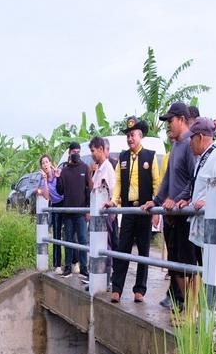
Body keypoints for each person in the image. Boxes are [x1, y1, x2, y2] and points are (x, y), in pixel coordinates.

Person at [177, 117, 216, 318]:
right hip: (200, 228)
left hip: (212, 231)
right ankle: (200, 316)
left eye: (192, 139)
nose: (190, 143)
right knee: (201, 272)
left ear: (201, 137)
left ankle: (212, 320)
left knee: (211, 273)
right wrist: (188, 200)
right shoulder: (202, 159)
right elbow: (200, 189)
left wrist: (210, 203)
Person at [143, 102, 196, 313]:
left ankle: (192, 309)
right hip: (171, 216)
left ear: (182, 119)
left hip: (185, 216)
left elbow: (195, 179)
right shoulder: (175, 146)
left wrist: (179, 199)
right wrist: (155, 200)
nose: (168, 126)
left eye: (170, 121)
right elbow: (168, 179)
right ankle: (186, 306)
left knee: (187, 266)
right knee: (174, 266)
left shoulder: (190, 145)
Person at [106, 117, 161, 302]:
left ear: (140, 136)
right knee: (123, 250)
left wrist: (156, 209)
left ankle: (140, 290)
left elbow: (156, 184)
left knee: (144, 251)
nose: (130, 138)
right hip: (129, 211)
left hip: (145, 211)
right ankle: (117, 288)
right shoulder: (122, 157)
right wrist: (113, 202)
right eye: (128, 135)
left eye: (133, 135)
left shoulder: (150, 156)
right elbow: (119, 184)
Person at [56, 142, 91, 278]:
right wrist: (58, 178)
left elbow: (89, 190)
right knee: (68, 240)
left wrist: (88, 209)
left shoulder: (85, 168)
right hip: (68, 213)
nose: (76, 153)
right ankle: (68, 267)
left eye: (78, 151)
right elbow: (60, 191)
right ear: (69, 153)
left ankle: (83, 268)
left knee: (82, 240)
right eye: (74, 151)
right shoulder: (64, 170)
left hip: (81, 213)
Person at [89, 136, 117, 287]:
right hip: (97, 214)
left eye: (93, 151)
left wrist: (110, 212)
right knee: (97, 245)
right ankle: (98, 277)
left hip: (105, 214)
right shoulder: (99, 168)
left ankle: (106, 278)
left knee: (106, 246)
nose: (92, 154)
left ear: (101, 149)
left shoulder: (108, 168)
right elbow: (93, 188)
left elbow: (111, 192)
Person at [37, 155, 65, 274]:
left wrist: (59, 176)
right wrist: (44, 180)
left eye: (46, 162)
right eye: (43, 163)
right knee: (56, 235)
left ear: (50, 163)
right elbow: (47, 197)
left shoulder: (58, 173)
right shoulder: (42, 180)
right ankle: (57, 265)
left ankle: (72, 263)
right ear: (41, 167)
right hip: (55, 205)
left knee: (69, 234)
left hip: (66, 203)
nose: (45, 165)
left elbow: (64, 186)